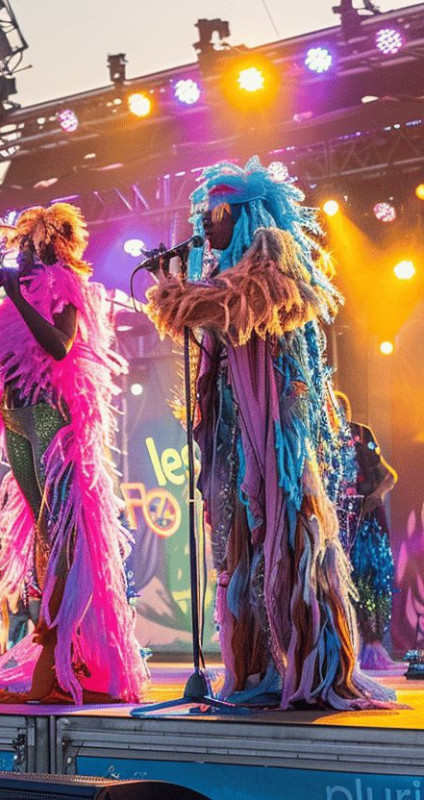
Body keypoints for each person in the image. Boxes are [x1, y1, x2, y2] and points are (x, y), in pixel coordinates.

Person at [144, 157, 396, 709]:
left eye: (214, 212)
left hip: (273, 440)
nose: (205, 222)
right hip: (236, 432)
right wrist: (181, 289)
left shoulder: (271, 261)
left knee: (282, 545)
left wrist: (177, 292)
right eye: (202, 213)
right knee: (240, 551)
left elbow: (237, 307)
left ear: (241, 211)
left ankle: (305, 665)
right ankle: (260, 667)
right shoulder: (219, 275)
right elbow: (210, 317)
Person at [0, 203, 147, 706]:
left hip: (50, 425)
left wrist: (17, 297)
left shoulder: (70, 293)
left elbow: (60, 347)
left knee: (65, 538)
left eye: (32, 246)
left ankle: (68, 651)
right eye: (22, 247)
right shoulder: (15, 304)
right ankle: (59, 643)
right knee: (43, 534)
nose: (25, 255)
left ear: (54, 246)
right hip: (19, 424)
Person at [335, 392, 400, 670]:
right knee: (342, 582)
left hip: (367, 522)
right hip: (339, 521)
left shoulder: (361, 433)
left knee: (369, 581)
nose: (335, 413)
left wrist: (376, 495)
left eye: (339, 409)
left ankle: (373, 644)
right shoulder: (323, 441)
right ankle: (347, 644)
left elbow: (389, 476)